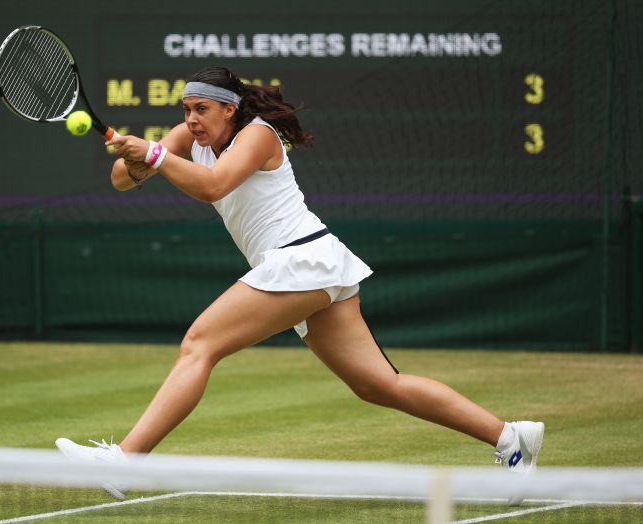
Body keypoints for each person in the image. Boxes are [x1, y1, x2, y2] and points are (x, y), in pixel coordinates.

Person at [55, 66, 544, 501]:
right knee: (379, 385)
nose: (192, 119)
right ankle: (511, 438)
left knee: (199, 344)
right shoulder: (188, 137)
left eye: (201, 109)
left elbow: (212, 186)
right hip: (312, 267)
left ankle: (127, 460)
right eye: (186, 110)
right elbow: (122, 179)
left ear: (230, 109)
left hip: (301, 260)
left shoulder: (258, 134)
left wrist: (155, 154)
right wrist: (136, 155)